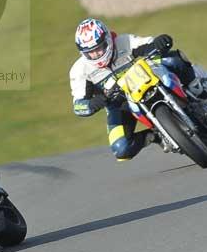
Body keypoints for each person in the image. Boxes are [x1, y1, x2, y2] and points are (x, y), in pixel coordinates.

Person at [70, 18, 207, 162]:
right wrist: (93, 103)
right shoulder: (80, 70)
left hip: (147, 78)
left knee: (172, 58)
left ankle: (198, 89)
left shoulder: (124, 41)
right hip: (119, 103)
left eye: (99, 48)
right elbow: (78, 105)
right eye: (90, 52)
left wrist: (159, 42)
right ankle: (157, 135)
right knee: (121, 149)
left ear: (108, 39)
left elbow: (148, 44)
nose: (96, 54)